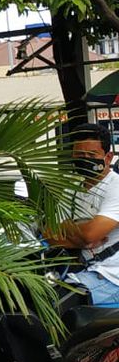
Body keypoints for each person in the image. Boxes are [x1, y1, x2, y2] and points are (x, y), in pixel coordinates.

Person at [47, 124, 119, 304]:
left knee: (54, 308)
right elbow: (49, 233)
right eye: (79, 155)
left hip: (111, 275)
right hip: (79, 269)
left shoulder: (115, 187)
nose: (85, 160)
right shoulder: (72, 189)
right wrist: (83, 239)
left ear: (108, 157)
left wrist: (70, 229)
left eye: (92, 155)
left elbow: (90, 234)